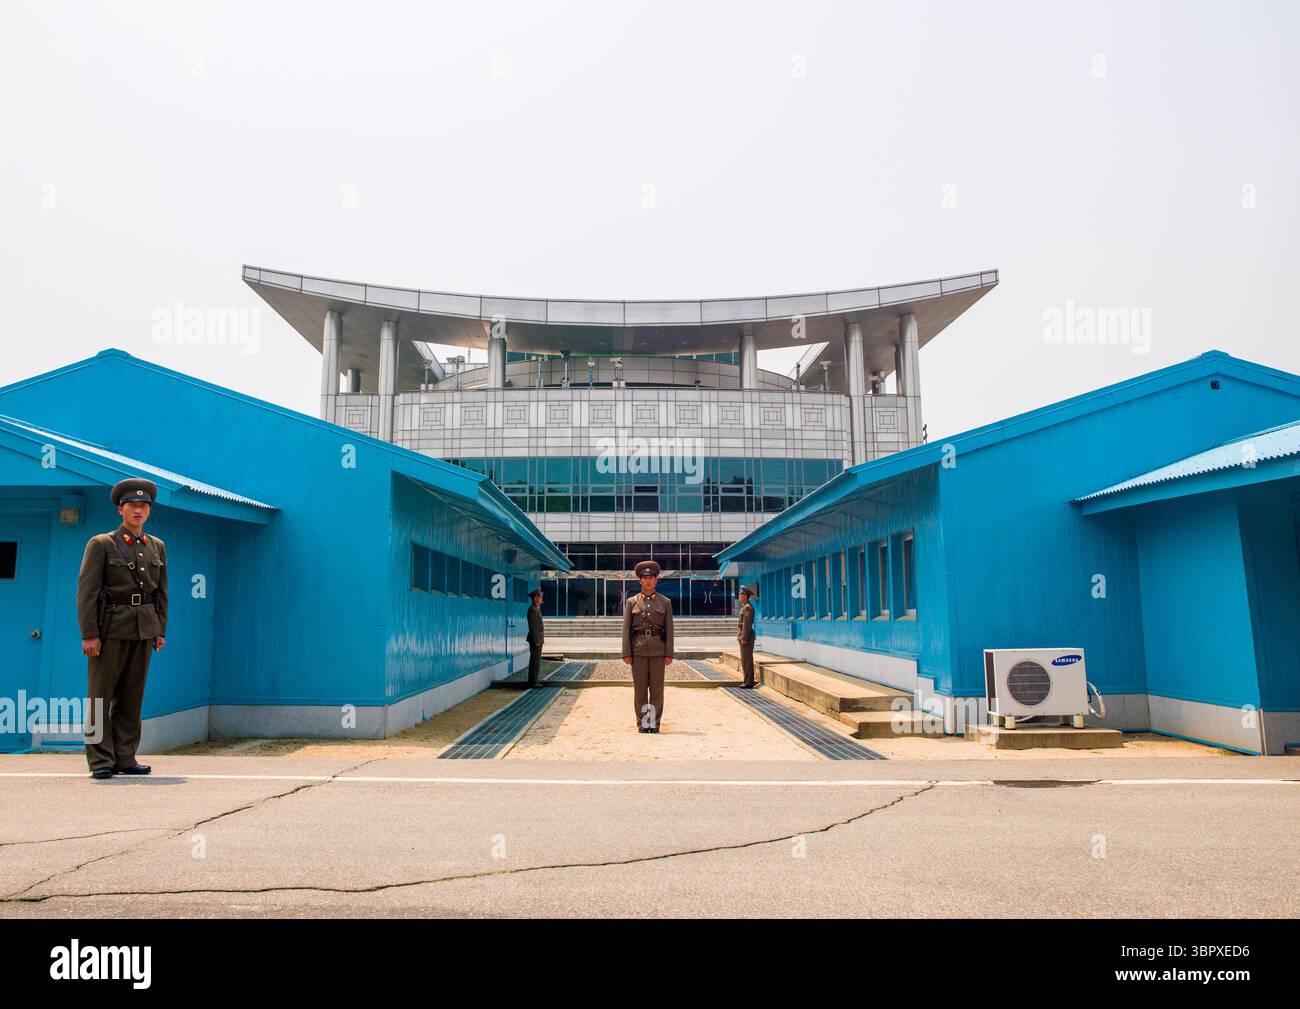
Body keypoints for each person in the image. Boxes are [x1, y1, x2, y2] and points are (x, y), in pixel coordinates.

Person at [75, 478, 168, 780]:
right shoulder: (102, 544)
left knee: (132, 697)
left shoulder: (156, 546)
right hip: (109, 630)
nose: (138, 510)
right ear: (120, 509)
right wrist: (89, 634)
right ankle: (100, 760)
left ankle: (125, 757)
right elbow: (87, 592)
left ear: (149, 511)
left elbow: (161, 593)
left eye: (144, 506)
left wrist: (160, 630)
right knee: (100, 697)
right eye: (132, 505)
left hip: (143, 630)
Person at [621, 560, 673, 733]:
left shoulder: (665, 602)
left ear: (656, 580)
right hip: (638, 651)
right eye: (645, 578)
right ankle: (644, 723)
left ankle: (655, 724)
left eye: (651, 578)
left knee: (657, 691)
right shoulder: (631, 602)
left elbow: (669, 630)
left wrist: (669, 653)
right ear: (640, 581)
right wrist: (626, 653)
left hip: (658, 651)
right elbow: (626, 630)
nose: (648, 581)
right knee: (640, 691)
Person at [737, 583, 758, 688]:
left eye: (741, 593)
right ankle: (747, 681)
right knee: (744, 659)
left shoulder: (748, 608)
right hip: (743, 636)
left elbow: (747, 624)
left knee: (747, 660)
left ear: (745, 595)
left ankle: (749, 682)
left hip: (746, 637)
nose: (739, 595)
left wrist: (744, 638)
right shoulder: (745, 607)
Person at [525, 587, 545, 688]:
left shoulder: (536, 609)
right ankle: (533, 682)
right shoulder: (533, 610)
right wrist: (537, 641)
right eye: (540, 596)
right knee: (534, 661)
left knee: (536, 661)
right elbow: (533, 627)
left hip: (538, 639)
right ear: (535, 598)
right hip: (535, 639)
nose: (542, 598)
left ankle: (534, 680)